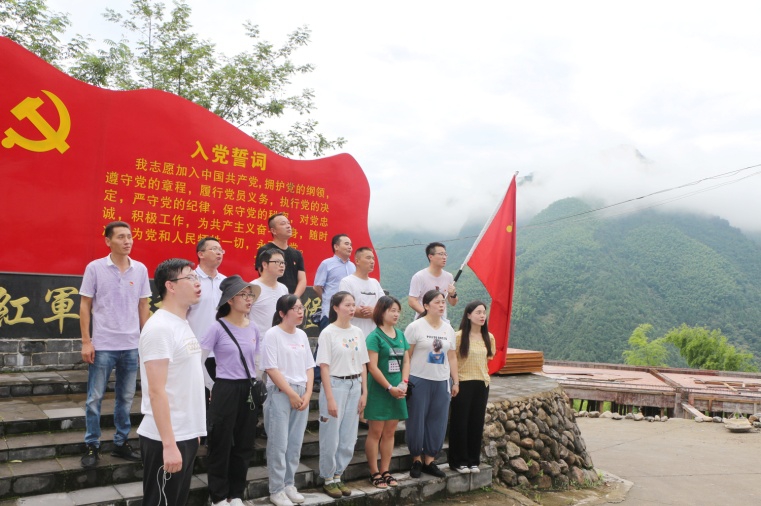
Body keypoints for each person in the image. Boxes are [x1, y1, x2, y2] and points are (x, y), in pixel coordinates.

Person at [79, 221, 150, 468]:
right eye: (121, 237)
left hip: (130, 345)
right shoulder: (95, 268)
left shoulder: (140, 269)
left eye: (129, 236)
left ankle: (121, 442)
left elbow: (143, 305)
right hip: (103, 344)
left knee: (126, 397)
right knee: (94, 397)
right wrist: (86, 341)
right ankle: (92, 444)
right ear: (108, 241)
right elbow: (85, 304)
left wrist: (145, 341)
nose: (127, 241)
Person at [137, 259, 206, 506]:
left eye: (197, 277)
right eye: (190, 277)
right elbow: (156, 391)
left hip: (184, 433)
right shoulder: (160, 328)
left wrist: (193, 431)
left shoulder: (181, 323)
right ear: (171, 286)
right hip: (165, 437)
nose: (197, 282)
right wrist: (169, 444)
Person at [201, 276, 262, 506]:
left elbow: (257, 360)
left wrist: (257, 382)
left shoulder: (253, 327)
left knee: (245, 443)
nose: (248, 299)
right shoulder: (217, 327)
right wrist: (211, 386)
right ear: (230, 300)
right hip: (225, 387)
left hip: (248, 389)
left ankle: (236, 494)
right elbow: (199, 361)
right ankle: (218, 496)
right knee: (220, 442)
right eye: (243, 295)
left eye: (250, 295)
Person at [315, 292, 369, 498]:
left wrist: (364, 392)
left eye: (353, 304)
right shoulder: (328, 332)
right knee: (331, 435)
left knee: (348, 436)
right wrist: (329, 397)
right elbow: (324, 367)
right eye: (347, 304)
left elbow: (363, 364)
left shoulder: (358, 332)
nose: (352, 308)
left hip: (355, 385)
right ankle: (328, 477)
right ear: (336, 307)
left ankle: (339, 475)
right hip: (336, 385)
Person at [262, 294, 315, 506]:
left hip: (301, 393)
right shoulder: (272, 334)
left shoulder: (302, 335)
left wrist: (308, 394)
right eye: (296, 308)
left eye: (302, 307)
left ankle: (288, 484)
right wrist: (291, 394)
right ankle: (276, 489)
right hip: (280, 393)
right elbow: (271, 368)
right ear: (282, 313)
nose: (301, 311)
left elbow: (309, 367)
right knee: (278, 444)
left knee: (294, 443)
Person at [404, 290, 459, 479]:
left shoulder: (448, 329)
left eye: (443, 302)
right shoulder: (415, 327)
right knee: (416, 420)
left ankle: (429, 460)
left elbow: (452, 356)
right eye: (437, 302)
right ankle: (416, 460)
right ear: (426, 306)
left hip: (441, 381)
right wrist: (405, 381)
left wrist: (455, 381)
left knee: (438, 421)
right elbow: (407, 356)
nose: (442, 305)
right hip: (418, 379)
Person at [364, 296, 410, 489]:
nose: (396, 314)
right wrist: (389, 388)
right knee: (375, 432)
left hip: (398, 390)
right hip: (380, 390)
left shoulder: (400, 335)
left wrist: (404, 383)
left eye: (398, 311)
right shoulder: (374, 337)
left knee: (390, 432)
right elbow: (372, 367)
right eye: (392, 310)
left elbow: (406, 360)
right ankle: (374, 471)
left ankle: (386, 470)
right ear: (381, 312)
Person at [448, 301, 495, 474]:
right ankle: (458, 461)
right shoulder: (459, 336)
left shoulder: (489, 337)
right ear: (468, 315)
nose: (482, 316)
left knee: (476, 422)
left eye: (484, 312)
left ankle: (473, 461)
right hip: (463, 383)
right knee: (460, 422)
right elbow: (452, 360)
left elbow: (488, 359)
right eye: (478, 312)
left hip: (482, 384)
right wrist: (455, 382)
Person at [187, 236, 227, 389]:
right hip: (196, 350)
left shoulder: (225, 282)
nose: (219, 253)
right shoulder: (190, 280)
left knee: (220, 398)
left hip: (222, 352)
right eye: (214, 249)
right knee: (199, 396)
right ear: (201, 254)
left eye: (221, 250)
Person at [250, 248, 289, 373]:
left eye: (283, 262)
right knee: (258, 382)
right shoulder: (253, 288)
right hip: (258, 347)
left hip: (280, 346)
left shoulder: (283, 289)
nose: (282, 265)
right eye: (277, 262)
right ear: (265, 264)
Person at [255, 213, 306, 296]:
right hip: (272, 295)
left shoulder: (297, 254)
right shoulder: (265, 250)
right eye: (283, 223)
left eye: (288, 223)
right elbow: (263, 275)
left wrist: (294, 298)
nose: (288, 226)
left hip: (292, 298)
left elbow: (302, 280)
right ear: (273, 231)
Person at [338, 247, 384, 338]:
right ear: (357, 261)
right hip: (353, 336)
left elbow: (384, 306)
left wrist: (374, 311)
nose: (372, 261)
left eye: (373, 259)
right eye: (368, 258)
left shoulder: (375, 283)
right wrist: (375, 312)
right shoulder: (347, 282)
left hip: (374, 336)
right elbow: (346, 307)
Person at [408, 242, 458, 321]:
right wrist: (428, 315)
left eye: (445, 254)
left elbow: (453, 303)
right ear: (430, 256)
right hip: (423, 321)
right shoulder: (419, 277)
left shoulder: (449, 276)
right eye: (441, 254)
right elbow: (412, 301)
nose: (444, 257)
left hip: (442, 322)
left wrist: (453, 294)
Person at [314, 234, 355, 330]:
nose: (350, 247)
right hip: (329, 314)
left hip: (348, 315)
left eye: (351, 245)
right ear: (336, 246)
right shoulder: (326, 264)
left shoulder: (353, 266)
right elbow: (317, 287)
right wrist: (329, 301)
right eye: (346, 244)